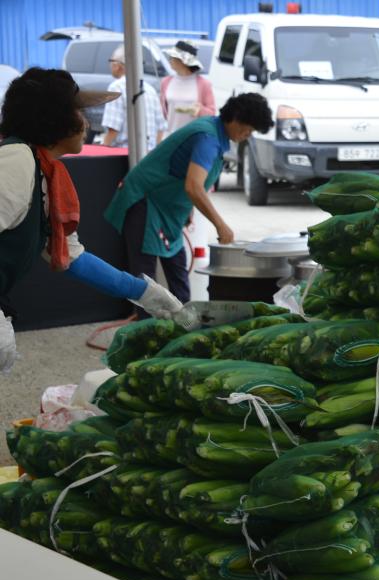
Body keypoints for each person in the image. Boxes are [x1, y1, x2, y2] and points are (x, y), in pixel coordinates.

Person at [0, 68, 182, 372]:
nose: (85, 123)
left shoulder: (42, 169)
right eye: (77, 112)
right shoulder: (16, 160)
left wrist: (144, 293)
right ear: (52, 118)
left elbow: (72, 257)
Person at [103, 93, 273, 316]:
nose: (246, 136)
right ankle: (145, 335)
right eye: (248, 130)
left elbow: (189, 180)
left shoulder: (214, 132)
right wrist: (221, 226)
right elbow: (194, 186)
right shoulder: (207, 138)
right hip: (146, 201)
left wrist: (188, 208)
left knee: (177, 270)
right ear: (236, 119)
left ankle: (185, 325)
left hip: (169, 209)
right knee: (144, 279)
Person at [101, 45, 167, 150]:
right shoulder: (150, 89)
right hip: (149, 153)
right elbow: (161, 128)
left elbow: (113, 127)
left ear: (117, 65)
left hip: (124, 153)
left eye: (111, 61)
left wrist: (103, 148)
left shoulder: (116, 86)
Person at [160, 41, 216, 134]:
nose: (170, 60)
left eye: (173, 57)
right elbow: (163, 113)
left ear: (183, 61)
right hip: (171, 137)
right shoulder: (166, 82)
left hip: (194, 138)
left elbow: (212, 113)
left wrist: (200, 110)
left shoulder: (204, 84)